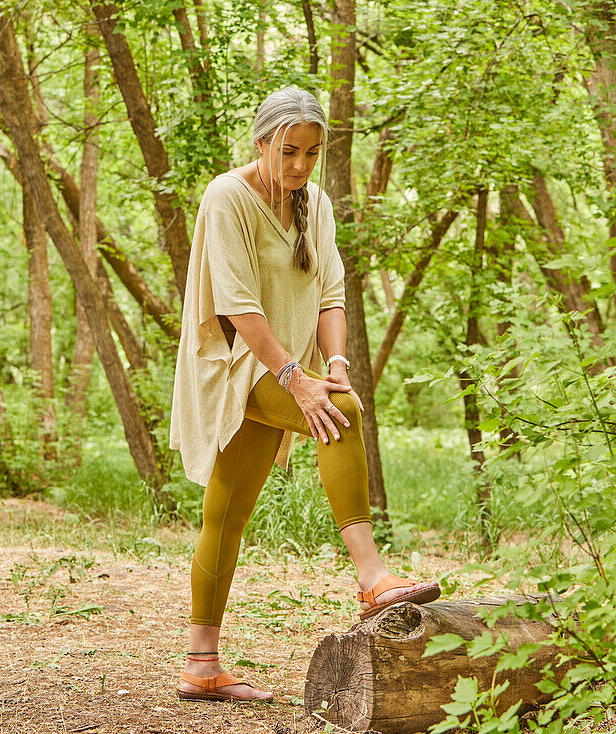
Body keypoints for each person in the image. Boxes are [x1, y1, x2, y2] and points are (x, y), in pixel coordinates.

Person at [169, 86, 440, 703]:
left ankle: (200, 664)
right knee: (336, 416)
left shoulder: (313, 202)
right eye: (289, 151)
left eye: (311, 154)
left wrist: (336, 362)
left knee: (228, 510)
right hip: (241, 364)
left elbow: (331, 292)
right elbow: (237, 306)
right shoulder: (226, 196)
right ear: (261, 141)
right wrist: (301, 382)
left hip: (290, 365)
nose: (299, 166)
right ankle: (372, 578)